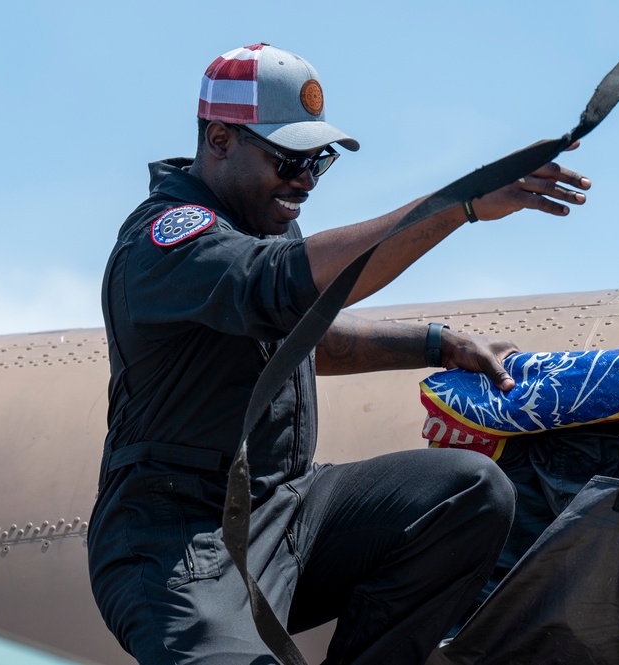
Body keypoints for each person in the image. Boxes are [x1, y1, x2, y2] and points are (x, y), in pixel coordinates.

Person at [87, 42, 591, 665]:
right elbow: (280, 284)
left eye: (317, 161)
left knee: (471, 492)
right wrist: (457, 205)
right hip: (179, 541)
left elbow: (306, 339)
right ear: (219, 140)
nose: (304, 180)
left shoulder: (265, 222)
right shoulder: (168, 242)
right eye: (287, 160)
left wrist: (441, 343)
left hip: (286, 511)